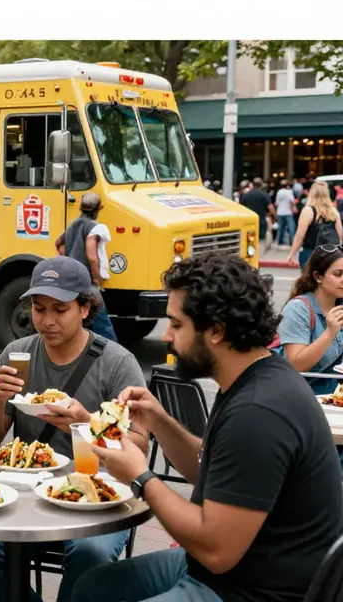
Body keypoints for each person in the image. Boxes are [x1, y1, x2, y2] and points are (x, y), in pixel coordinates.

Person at [71, 253, 342, 602]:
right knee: (92, 588)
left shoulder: (258, 412)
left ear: (216, 330)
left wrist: (141, 477)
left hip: (251, 591)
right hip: (221, 571)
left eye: (176, 324)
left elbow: (216, 551)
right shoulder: (251, 376)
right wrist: (158, 420)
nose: (167, 335)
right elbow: (210, 471)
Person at [0, 256, 147, 602]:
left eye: (60, 310)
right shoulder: (17, 354)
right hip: (29, 493)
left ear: (85, 309)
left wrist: (86, 423)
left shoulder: (117, 363)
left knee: (90, 553)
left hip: (99, 495)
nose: (47, 321)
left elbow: (139, 445)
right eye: (38, 308)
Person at [276, 245, 343, 394]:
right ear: (318, 277)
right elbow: (295, 365)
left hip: (334, 395)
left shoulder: (339, 304)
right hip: (303, 397)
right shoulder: (298, 309)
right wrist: (329, 334)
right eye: (338, 274)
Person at [54, 193, 117, 342]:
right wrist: (96, 278)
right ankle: (113, 353)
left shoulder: (72, 225)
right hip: (87, 281)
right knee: (103, 326)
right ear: (100, 208)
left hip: (72, 279)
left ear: (80, 208)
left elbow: (58, 243)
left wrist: (70, 257)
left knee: (82, 322)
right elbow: (91, 255)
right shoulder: (95, 227)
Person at [288, 180, 343, 268]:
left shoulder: (308, 211)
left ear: (312, 194)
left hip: (310, 252)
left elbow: (300, 235)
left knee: (309, 276)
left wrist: (292, 253)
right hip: (331, 254)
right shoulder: (334, 212)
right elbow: (340, 235)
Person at [238, 177, 275, 253]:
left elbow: (241, 209)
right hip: (260, 221)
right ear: (261, 185)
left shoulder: (246, 195)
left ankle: (250, 254)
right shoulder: (264, 195)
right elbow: (271, 208)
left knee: (249, 240)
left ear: (252, 184)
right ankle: (259, 255)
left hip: (248, 221)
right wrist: (269, 214)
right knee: (260, 241)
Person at [274, 179, 297, 248]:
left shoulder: (279, 192)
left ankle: (280, 241)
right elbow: (292, 201)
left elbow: (277, 203)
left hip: (280, 212)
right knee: (291, 228)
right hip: (288, 212)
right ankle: (292, 242)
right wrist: (294, 208)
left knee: (281, 228)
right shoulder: (289, 192)